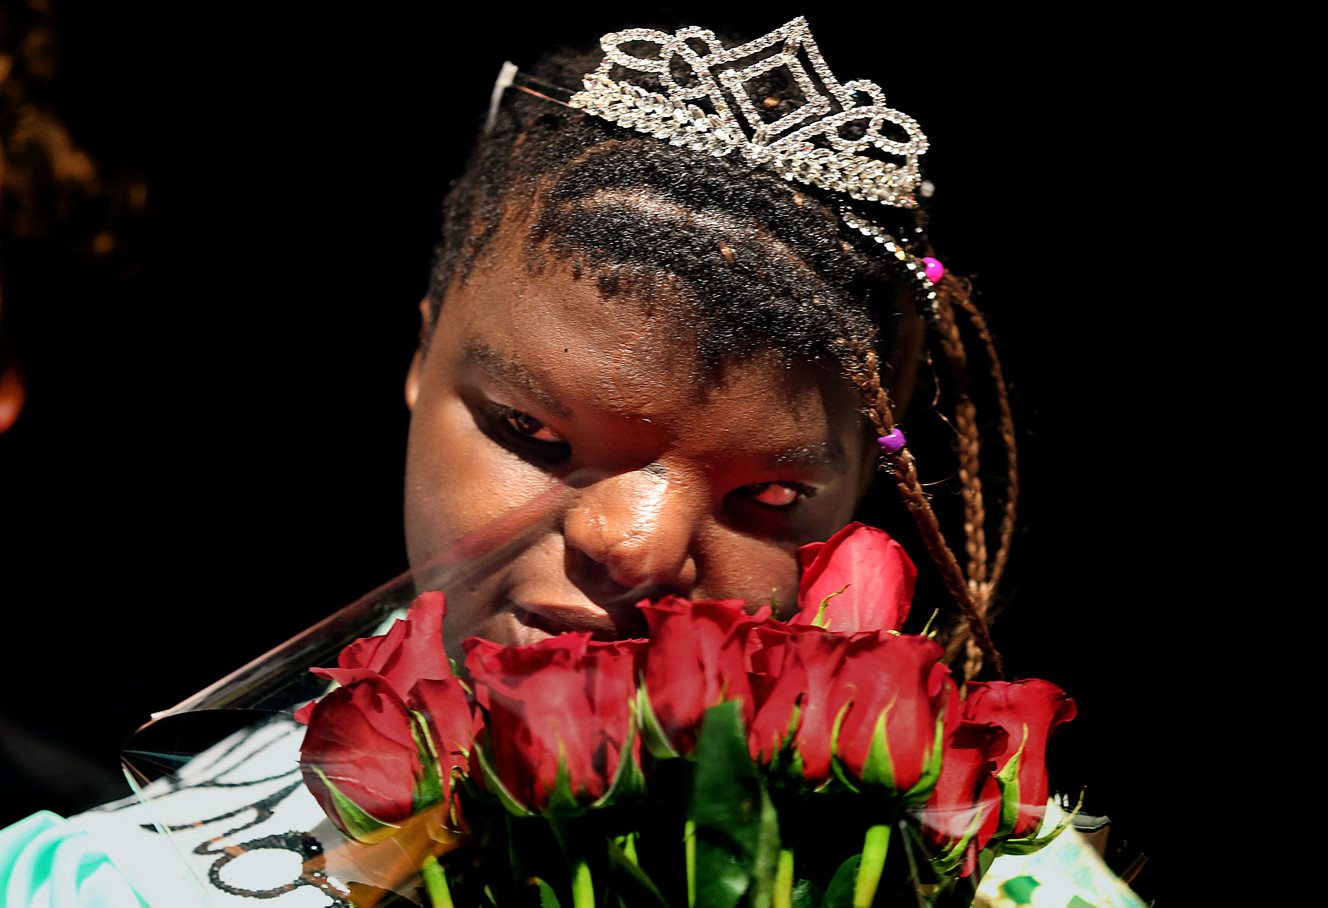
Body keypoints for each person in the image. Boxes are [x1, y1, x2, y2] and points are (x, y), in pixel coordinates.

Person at [0, 16, 1150, 907]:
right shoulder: (96, 880)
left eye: (767, 494)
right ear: (417, 355)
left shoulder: (974, 872)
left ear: (860, 495)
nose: (632, 544)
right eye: (533, 434)